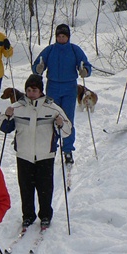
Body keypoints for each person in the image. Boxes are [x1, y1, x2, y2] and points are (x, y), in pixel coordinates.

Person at [0, 74, 71, 231]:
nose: (31, 93)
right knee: (25, 188)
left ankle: (45, 215)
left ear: (41, 91)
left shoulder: (52, 108)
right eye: (29, 90)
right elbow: (3, 127)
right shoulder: (17, 107)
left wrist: (60, 124)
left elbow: (67, 130)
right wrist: (7, 116)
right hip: (24, 155)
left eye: (35, 90)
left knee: (45, 187)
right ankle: (28, 216)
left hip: (45, 155)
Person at [32, 23, 92, 164]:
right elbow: (37, 65)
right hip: (52, 86)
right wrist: (38, 68)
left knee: (67, 119)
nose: (61, 38)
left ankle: (68, 149)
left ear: (68, 37)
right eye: (59, 36)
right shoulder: (50, 50)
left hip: (69, 87)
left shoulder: (74, 50)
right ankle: (52, 146)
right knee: (51, 117)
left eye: (63, 36)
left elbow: (86, 64)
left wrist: (85, 71)